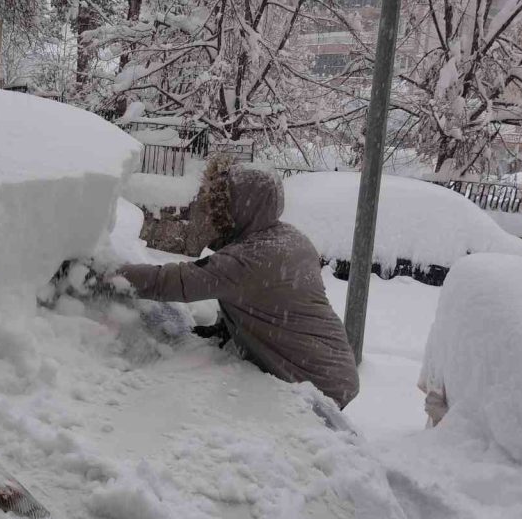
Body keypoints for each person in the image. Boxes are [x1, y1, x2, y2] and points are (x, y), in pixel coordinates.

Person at [114, 158, 359, 408]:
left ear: (239, 208)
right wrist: (228, 326)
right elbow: (271, 299)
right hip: (335, 367)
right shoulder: (291, 238)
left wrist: (107, 274)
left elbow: (171, 281)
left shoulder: (249, 258)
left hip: (314, 382)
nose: (211, 214)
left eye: (221, 206)